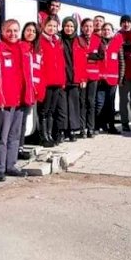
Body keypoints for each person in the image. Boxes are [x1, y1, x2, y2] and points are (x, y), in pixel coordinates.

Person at [0, 19, 27, 181]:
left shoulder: (22, 48)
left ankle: (11, 165)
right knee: (2, 137)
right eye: (9, 31)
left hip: (20, 100)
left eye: (16, 31)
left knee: (15, 135)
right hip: (4, 100)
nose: (13, 34)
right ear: (2, 32)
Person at [39, 16, 66, 147]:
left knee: (52, 110)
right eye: (49, 25)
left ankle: (49, 135)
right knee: (44, 110)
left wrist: (62, 80)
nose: (52, 28)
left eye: (55, 26)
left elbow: (61, 63)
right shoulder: (40, 41)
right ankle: (44, 137)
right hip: (46, 82)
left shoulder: (57, 42)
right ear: (44, 26)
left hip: (57, 81)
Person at [60, 17, 86, 141]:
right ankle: (62, 130)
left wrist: (83, 79)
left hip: (75, 79)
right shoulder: (59, 39)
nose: (69, 28)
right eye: (67, 26)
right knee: (62, 107)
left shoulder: (79, 41)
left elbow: (83, 63)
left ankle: (72, 131)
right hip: (62, 79)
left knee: (74, 106)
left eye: (71, 26)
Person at [19, 21, 42, 157]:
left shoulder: (36, 50)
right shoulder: (20, 47)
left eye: (33, 31)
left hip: (31, 92)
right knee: (18, 123)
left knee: (23, 122)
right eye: (28, 30)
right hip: (21, 91)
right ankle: (16, 149)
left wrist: (37, 89)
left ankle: (20, 148)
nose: (31, 33)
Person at [95, 22, 123, 134]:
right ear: (102, 31)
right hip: (100, 79)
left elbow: (121, 62)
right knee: (99, 103)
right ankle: (97, 126)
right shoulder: (97, 43)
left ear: (112, 32)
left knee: (110, 104)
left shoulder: (117, 44)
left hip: (113, 79)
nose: (106, 31)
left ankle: (111, 126)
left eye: (108, 29)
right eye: (104, 29)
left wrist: (120, 78)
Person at [77, 18, 102, 137]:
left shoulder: (98, 40)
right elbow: (77, 57)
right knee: (82, 102)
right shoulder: (78, 40)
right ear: (82, 28)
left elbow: (100, 56)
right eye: (86, 26)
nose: (88, 29)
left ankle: (90, 128)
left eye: (90, 26)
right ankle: (82, 128)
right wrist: (91, 56)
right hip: (82, 76)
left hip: (93, 76)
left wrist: (87, 55)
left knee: (91, 102)